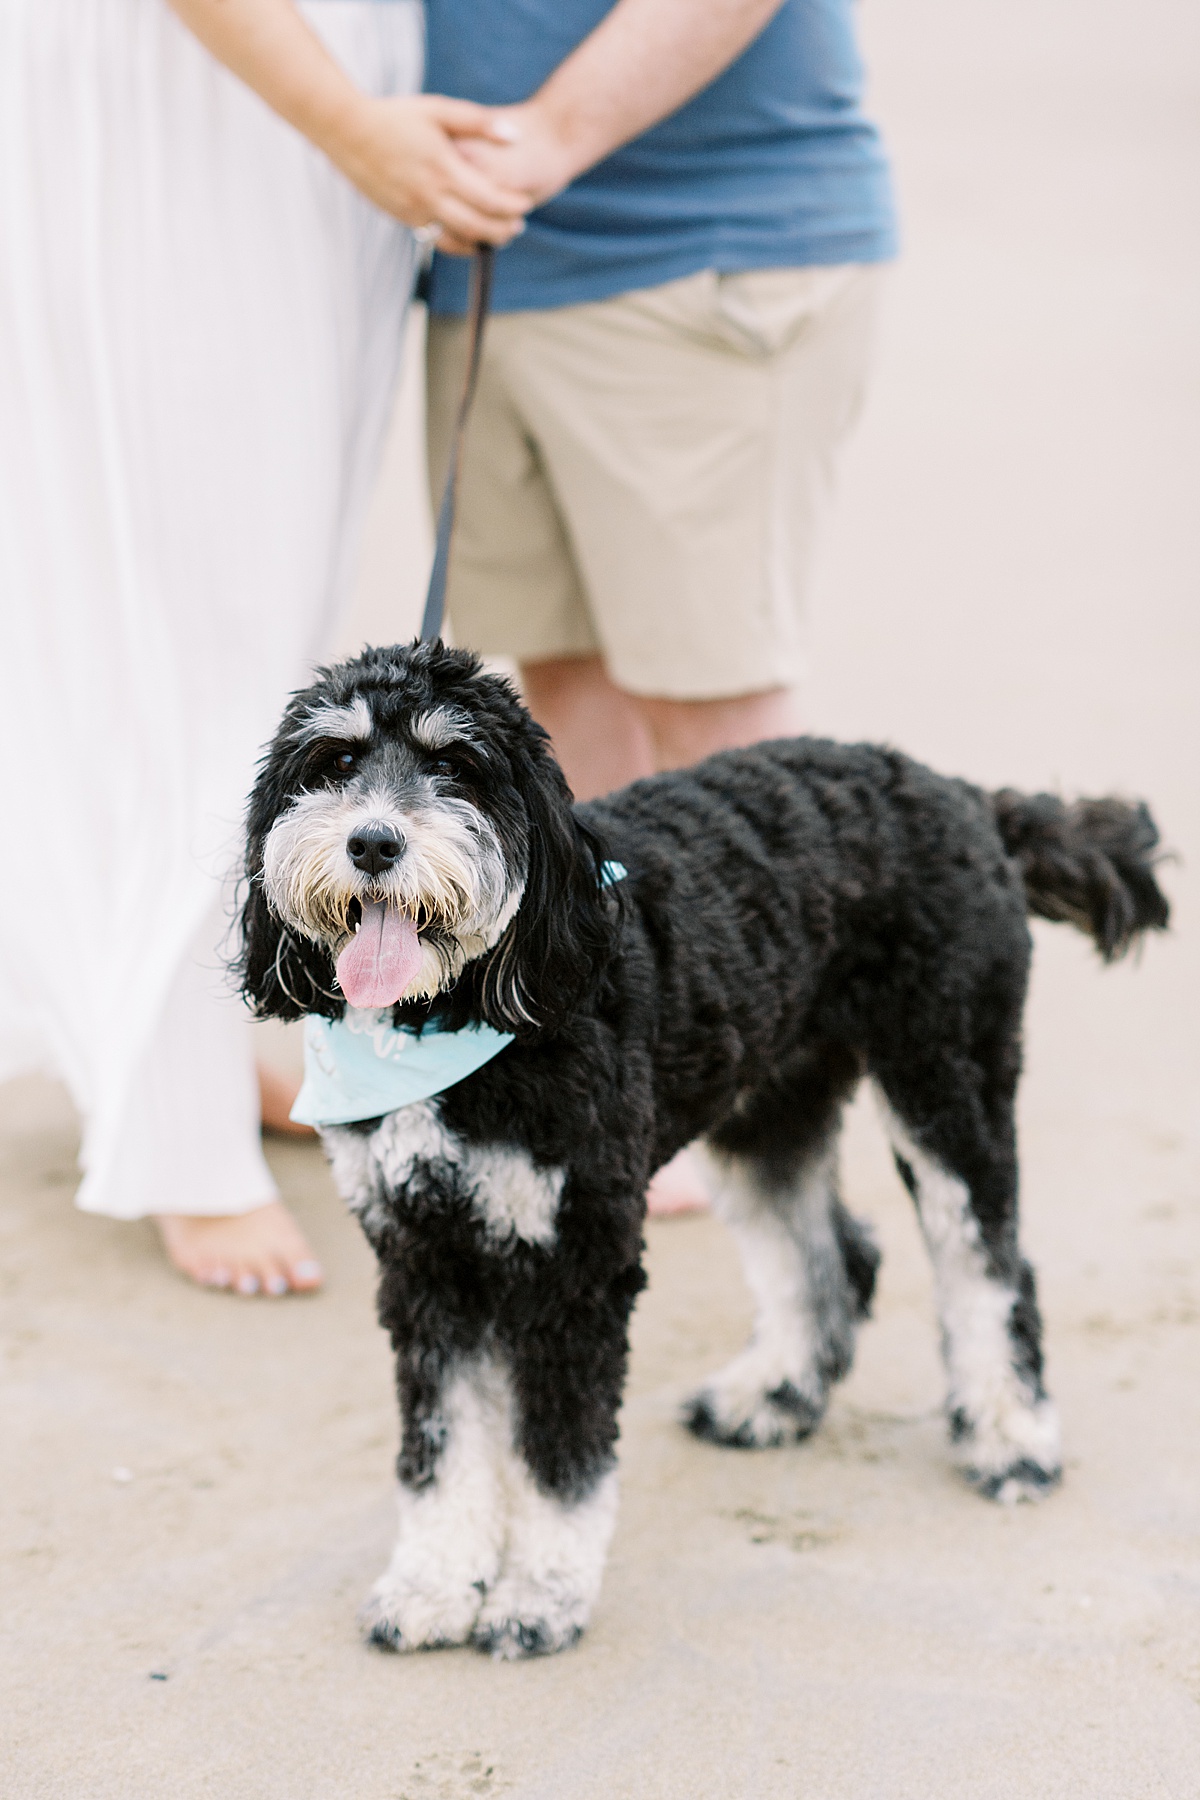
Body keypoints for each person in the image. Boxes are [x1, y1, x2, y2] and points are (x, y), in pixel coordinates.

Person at [0, 0, 527, 1294]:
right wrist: (350, 125)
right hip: (208, 113)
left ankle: (183, 1024)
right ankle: (174, 1117)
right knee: (199, 625)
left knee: (261, 602)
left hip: (293, 110)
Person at [421, 0, 898, 1206]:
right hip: (489, 259)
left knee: (712, 715)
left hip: (698, 238)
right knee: (570, 677)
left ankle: (769, 1114)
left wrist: (545, 136)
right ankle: (632, 1062)